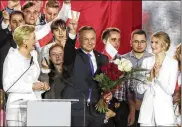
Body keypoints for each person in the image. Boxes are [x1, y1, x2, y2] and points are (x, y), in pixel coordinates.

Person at [3, 25, 49, 126]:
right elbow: (7, 86)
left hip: (34, 104)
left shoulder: (34, 55)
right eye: (33, 38)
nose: (36, 41)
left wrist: (41, 86)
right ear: (24, 41)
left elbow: (31, 80)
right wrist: (31, 86)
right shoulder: (12, 57)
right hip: (16, 108)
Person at [62, 26, 109, 127]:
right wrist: (72, 34)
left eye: (92, 39)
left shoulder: (103, 59)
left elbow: (107, 83)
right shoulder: (72, 56)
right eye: (86, 39)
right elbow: (68, 50)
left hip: (97, 110)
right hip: (77, 110)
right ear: (79, 40)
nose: (90, 42)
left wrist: (108, 93)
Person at [137, 31, 178, 126]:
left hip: (165, 115)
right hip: (147, 115)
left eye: (156, 42)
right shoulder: (146, 62)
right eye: (152, 42)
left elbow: (170, 91)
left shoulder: (173, 63)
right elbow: (139, 90)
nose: (152, 45)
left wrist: (158, 76)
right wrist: (150, 78)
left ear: (165, 45)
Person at [101, 27, 135, 127]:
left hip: (120, 110)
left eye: (119, 40)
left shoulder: (125, 62)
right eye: (113, 39)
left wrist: (132, 111)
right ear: (104, 41)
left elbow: (130, 90)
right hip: (101, 107)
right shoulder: (97, 60)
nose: (117, 43)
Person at [122, 29, 153, 127]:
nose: (139, 45)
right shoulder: (123, 59)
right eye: (136, 41)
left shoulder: (153, 59)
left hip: (148, 106)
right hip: (126, 107)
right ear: (131, 43)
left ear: (146, 43)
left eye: (142, 41)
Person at [0, 10, 25, 91]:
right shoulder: (4, 38)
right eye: (14, 21)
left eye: (20, 21)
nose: (18, 24)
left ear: (24, 22)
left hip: (25, 86)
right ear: (10, 24)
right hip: (6, 86)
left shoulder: (30, 40)